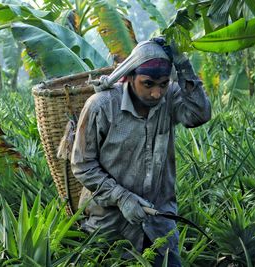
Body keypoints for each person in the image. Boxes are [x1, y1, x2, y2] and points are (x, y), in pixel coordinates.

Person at [71, 37, 211, 266]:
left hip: (159, 222)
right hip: (110, 224)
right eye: (148, 84)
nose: (157, 93)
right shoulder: (101, 105)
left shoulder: (170, 99)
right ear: (130, 77)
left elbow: (199, 115)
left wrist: (183, 65)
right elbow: (82, 165)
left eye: (163, 84)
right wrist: (121, 196)